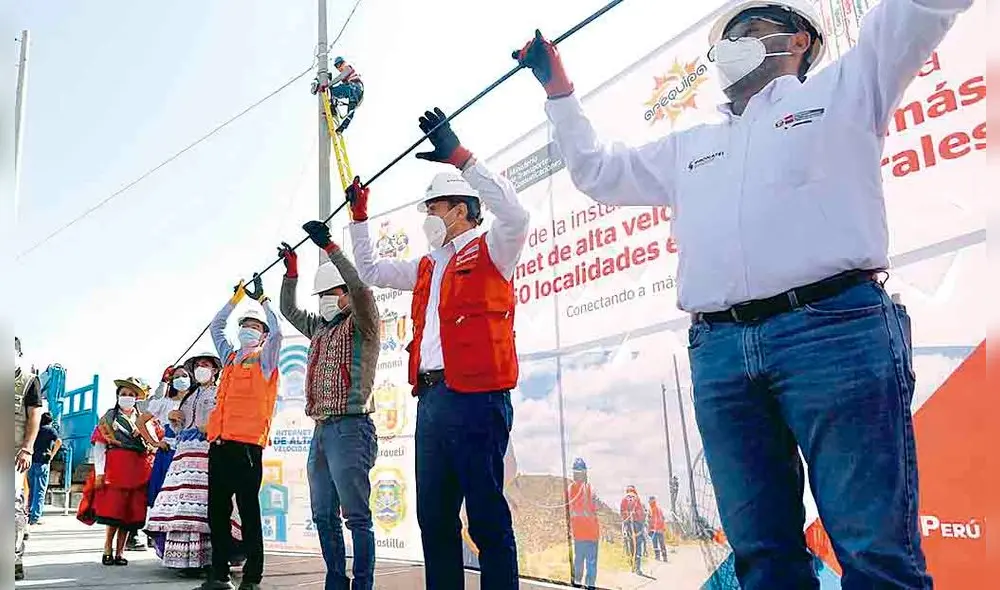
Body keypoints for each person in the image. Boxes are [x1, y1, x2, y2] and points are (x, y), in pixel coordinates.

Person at [514, 0, 972, 586]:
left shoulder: (848, 87)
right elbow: (597, 172)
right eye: (726, 37)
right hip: (722, 354)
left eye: (751, 30)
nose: (735, 44)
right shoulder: (691, 147)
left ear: (801, 40)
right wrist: (559, 91)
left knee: (875, 554)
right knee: (762, 557)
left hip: (835, 331)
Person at [348, 106, 530, 590]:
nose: (428, 217)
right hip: (431, 402)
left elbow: (516, 212)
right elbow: (369, 272)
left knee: (487, 517)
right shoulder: (427, 266)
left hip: (478, 399)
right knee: (434, 518)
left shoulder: (494, 247)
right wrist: (359, 219)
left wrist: (460, 156)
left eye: (433, 208)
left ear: (461, 208)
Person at [277, 224, 380, 590]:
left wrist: (331, 247)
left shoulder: (363, 322)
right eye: (320, 293)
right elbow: (288, 308)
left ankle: (362, 585)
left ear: (346, 295)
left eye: (332, 292)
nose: (325, 299)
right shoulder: (318, 328)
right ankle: (336, 581)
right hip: (322, 431)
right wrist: (291, 274)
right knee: (323, 514)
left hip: (352, 429)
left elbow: (361, 287)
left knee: (356, 517)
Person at [201, 275, 282, 590]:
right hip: (219, 446)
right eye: (244, 324)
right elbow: (215, 326)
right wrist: (235, 299)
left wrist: (263, 302)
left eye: (254, 326)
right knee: (217, 513)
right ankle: (219, 576)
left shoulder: (265, 359)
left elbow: (278, 333)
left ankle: (252, 578)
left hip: (247, 448)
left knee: (249, 512)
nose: (247, 329)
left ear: (261, 335)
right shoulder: (230, 358)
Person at [147, 354, 244, 578]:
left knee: (208, 505)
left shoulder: (222, 393)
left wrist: (211, 428)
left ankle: (212, 559)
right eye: (198, 365)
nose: (202, 368)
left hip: (210, 452)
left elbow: (227, 420)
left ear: (215, 370)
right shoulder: (187, 397)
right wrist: (174, 420)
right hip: (183, 456)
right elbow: (180, 428)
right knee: (183, 506)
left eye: (206, 365)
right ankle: (186, 560)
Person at [85, 377, 155, 566]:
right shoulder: (109, 418)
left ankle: (120, 552)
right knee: (114, 513)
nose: (127, 397)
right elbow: (100, 446)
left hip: (138, 469)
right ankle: (107, 548)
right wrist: (100, 472)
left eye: (131, 395)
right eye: (124, 394)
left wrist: (144, 434)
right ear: (118, 396)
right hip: (115, 468)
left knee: (129, 514)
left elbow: (154, 442)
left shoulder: (144, 420)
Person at [14, 336, 44, 581]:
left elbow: (34, 416)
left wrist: (27, 447)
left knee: (11, 507)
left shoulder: (28, 381)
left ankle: (14, 557)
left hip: (14, 454)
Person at [140, 366, 189, 510]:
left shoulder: (196, 399)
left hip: (190, 453)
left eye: (184, 375)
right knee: (165, 493)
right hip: (169, 453)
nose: (181, 379)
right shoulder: (164, 402)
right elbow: (140, 421)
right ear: (171, 382)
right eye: (176, 377)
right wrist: (155, 443)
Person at [568, 458, 599, 589]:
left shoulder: (570, 489)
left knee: (578, 560)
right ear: (585, 472)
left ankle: (577, 583)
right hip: (591, 534)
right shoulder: (589, 488)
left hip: (578, 533)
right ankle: (590, 586)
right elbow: (596, 506)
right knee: (591, 562)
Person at [312, 56, 364, 134]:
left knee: (333, 91)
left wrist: (327, 85)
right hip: (355, 93)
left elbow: (340, 77)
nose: (338, 68)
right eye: (337, 66)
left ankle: (332, 109)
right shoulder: (349, 78)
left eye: (339, 65)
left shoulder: (348, 68)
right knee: (350, 110)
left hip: (354, 88)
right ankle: (341, 128)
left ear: (344, 63)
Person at [27, 412, 62, 525]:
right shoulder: (50, 430)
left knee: (31, 489)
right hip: (43, 462)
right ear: (50, 421)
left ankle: (28, 513)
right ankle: (36, 517)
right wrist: (52, 454)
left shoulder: (35, 429)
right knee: (40, 490)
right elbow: (59, 441)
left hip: (32, 462)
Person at [619, 485, 645, 576]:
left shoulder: (625, 499)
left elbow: (622, 512)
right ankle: (636, 567)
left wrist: (628, 516)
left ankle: (633, 566)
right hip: (635, 525)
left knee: (630, 546)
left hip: (630, 525)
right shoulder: (637, 499)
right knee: (637, 546)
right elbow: (641, 514)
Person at [647, 496, 667, 563]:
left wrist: (650, 529)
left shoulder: (653, 509)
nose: (649, 502)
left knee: (656, 543)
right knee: (661, 544)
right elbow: (662, 519)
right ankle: (664, 557)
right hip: (659, 529)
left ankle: (658, 556)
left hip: (655, 530)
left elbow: (651, 521)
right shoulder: (658, 509)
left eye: (650, 501)